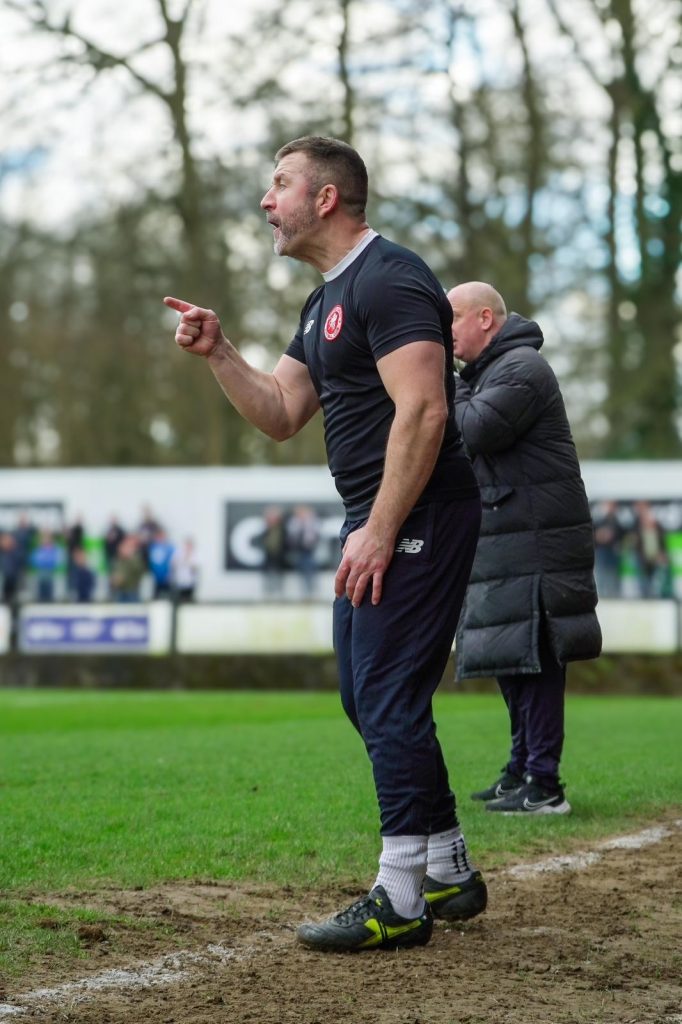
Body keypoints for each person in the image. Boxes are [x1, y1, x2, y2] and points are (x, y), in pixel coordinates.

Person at [164, 135, 484, 953]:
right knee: (364, 695)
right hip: (376, 519)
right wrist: (220, 352)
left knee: (385, 695)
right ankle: (447, 865)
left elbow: (425, 411)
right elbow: (279, 412)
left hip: (416, 515)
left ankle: (400, 897)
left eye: (280, 184)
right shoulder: (324, 302)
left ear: (326, 197)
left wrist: (381, 528)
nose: (266, 201)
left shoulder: (391, 277)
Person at [448, 281, 602, 815]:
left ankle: (545, 782)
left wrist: (441, 382)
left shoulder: (523, 368)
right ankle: (520, 769)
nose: (445, 332)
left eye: (452, 318)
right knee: (510, 657)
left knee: (535, 661)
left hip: (538, 544)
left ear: (485, 318)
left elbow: (475, 430)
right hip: (510, 541)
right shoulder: (488, 374)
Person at [285, 503, 321, 598]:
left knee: (310, 567)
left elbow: (314, 535)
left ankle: (311, 590)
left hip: (309, 549)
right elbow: (292, 534)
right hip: (298, 549)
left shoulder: (312, 521)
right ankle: (305, 591)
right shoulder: (294, 522)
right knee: (302, 569)